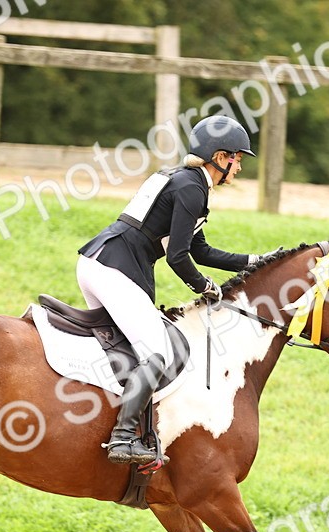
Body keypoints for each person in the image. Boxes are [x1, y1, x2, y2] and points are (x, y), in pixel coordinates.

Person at [76, 114, 274, 465]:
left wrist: (257, 261)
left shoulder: (184, 180)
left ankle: (120, 425)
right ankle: (123, 438)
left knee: (130, 350)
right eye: (237, 159)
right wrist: (204, 286)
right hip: (114, 269)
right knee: (157, 351)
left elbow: (200, 251)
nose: (240, 167)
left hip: (101, 262)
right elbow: (177, 257)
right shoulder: (191, 189)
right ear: (220, 157)